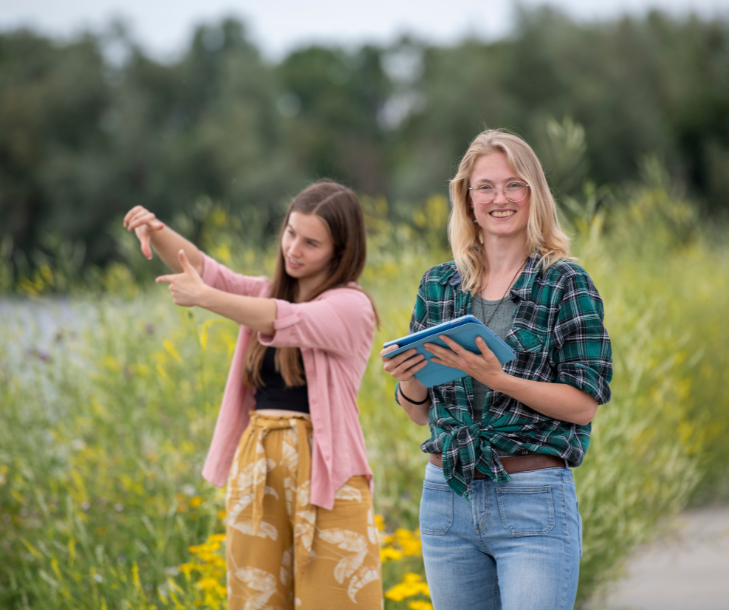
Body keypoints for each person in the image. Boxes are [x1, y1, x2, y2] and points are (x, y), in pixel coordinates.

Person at [123, 181, 383, 610]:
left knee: (337, 598)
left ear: (340, 252)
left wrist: (206, 299)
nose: (293, 249)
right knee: (256, 599)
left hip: (328, 472)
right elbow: (205, 270)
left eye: (311, 242)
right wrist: (157, 228)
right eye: (290, 233)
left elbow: (285, 318)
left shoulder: (351, 307)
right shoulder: (265, 291)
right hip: (258, 464)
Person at [381, 130, 613, 609]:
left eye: (514, 185)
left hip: (532, 501)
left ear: (534, 194)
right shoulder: (439, 284)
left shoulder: (566, 283)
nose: (499, 198)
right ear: (467, 199)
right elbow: (419, 414)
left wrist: (498, 378)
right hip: (447, 498)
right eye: (485, 187)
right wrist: (408, 377)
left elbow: (583, 406)